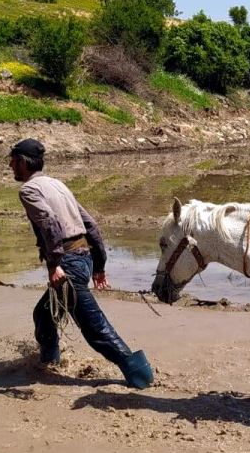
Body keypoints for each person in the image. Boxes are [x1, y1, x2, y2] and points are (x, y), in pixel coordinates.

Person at [9, 138, 153, 389]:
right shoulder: (57, 184)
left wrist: (55, 265)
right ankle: (48, 365)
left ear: (22, 162)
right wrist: (98, 265)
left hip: (68, 263)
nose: (10, 165)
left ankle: (139, 373)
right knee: (43, 316)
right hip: (83, 258)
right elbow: (91, 225)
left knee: (93, 326)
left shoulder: (29, 190)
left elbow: (49, 223)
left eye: (12, 160)